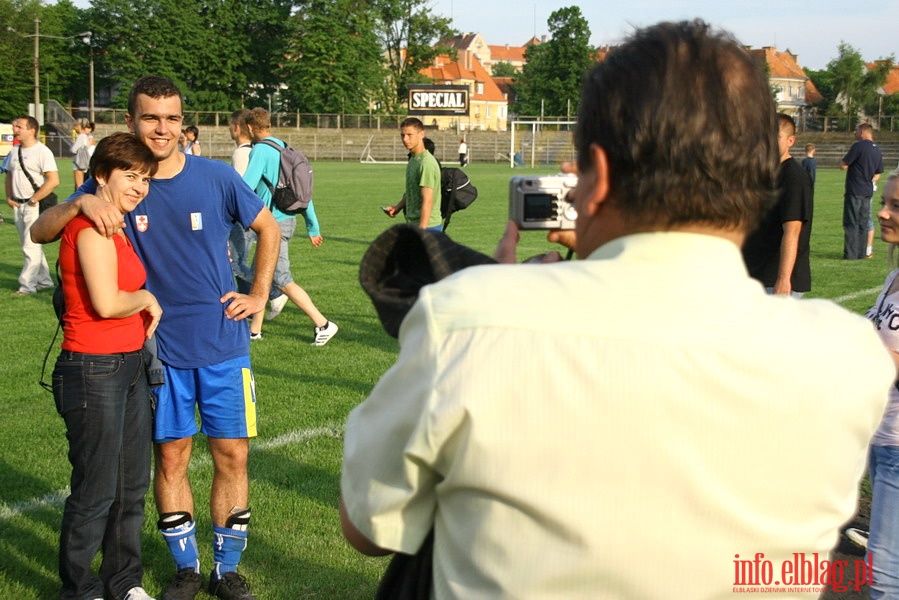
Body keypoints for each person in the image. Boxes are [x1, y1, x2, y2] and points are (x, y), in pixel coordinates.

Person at [340, 20, 896, 599]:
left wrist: (498, 299)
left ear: (596, 177)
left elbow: (368, 526)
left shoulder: (469, 318)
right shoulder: (848, 357)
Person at [31, 75, 281, 600]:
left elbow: (269, 228)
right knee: (170, 458)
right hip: (157, 351)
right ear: (131, 121)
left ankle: (226, 571)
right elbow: (40, 230)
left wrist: (258, 295)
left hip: (223, 344)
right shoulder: (115, 183)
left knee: (232, 454)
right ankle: (186, 571)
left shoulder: (215, 176)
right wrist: (78, 205)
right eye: (151, 117)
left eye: (171, 118)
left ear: (183, 122)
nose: (162, 128)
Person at [53, 132, 162, 600]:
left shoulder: (116, 224)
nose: (139, 186)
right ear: (101, 176)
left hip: (129, 363)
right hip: (93, 368)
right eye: (130, 176)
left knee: (131, 485)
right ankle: (81, 589)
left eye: (145, 178)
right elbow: (107, 301)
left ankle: (124, 582)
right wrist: (146, 297)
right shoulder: (91, 225)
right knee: (96, 490)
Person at [241, 107, 338, 345]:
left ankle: (323, 324)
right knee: (259, 278)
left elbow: (246, 186)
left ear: (251, 128)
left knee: (281, 278)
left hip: (272, 225)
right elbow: (304, 194)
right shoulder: (285, 149)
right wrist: (313, 227)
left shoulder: (261, 151)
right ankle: (255, 331)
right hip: (288, 219)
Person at [867, 169, 899, 599]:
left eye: (895, 207)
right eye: (886, 202)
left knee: (881, 579)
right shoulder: (893, 278)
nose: (883, 212)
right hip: (881, 441)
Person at [742, 113, 813, 296]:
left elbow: (792, 230)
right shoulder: (761, 173)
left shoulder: (793, 177)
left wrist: (783, 279)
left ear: (791, 141)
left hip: (774, 279)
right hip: (753, 274)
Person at [5, 115, 58, 295]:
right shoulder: (14, 151)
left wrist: (34, 199)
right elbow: (9, 175)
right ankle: (44, 280)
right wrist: (9, 196)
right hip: (18, 205)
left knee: (30, 245)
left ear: (32, 130)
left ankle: (27, 285)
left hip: (33, 205)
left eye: (19, 126)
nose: (15, 129)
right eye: (14, 126)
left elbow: (53, 180)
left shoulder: (42, 152)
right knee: (28, 245)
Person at [383, 118, 442, 230]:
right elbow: (412, 191)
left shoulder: (426, 163)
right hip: (414, 224)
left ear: (421, 134)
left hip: (428, 227)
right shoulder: (414, 160)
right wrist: (397, 207)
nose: (405, 139)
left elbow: (427, 200)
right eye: (402, 135)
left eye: (410, 135)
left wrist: (422, 233)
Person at [841, 122, 883, 259]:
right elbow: (878, 173)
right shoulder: (877, 149)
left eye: (857, 130)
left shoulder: (858, 146)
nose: (855, 133)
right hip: (867, 190)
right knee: (863, 223)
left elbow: (844, 165)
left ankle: (851, 254)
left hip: (854, 189)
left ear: (863, 132)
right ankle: (861, 253)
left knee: (851, 222)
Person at [228, 109, 254, 295]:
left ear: (236, 127)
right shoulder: (253, 151)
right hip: (251, 215)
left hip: (242, 216)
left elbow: (240, 188)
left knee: (235, 262)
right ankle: (248, 304)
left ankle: (273, 291)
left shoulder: (241, 154)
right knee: (238, 261)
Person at [71, 119, 96, 190]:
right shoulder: (87, 136)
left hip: (79, 163)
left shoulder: (81, 136)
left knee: (78, 186)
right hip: (85, 162)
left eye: (76, 125)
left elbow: (73, 150)